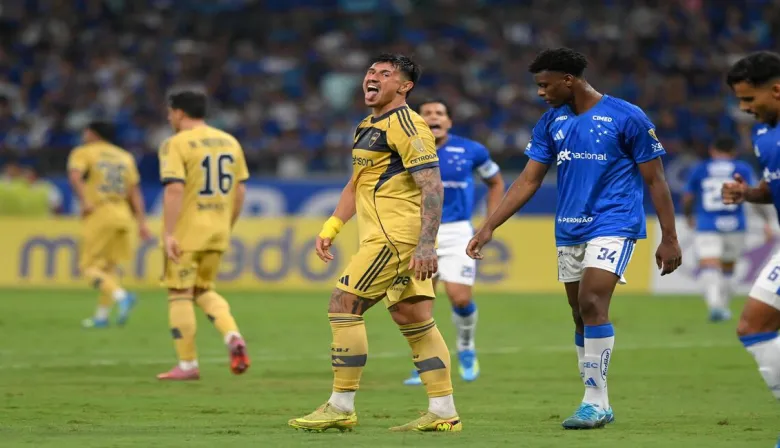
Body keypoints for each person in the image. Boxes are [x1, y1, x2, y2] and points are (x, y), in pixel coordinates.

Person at [466, 48, 682, 429]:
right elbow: (529, 179)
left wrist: (670, 237)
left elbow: (655, 179)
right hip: (569, 227)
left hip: (614, 223)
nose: (540, 92)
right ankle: (598, 399)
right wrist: (488, 226)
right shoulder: (552, 122)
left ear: (569, 80)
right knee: (579, 314)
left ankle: (594, 402)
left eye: (544, 85)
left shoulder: (627, 116)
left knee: (592, 300)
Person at [288, 53, 461, 433]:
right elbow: (357, 183)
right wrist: (331, 227)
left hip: (395, 236)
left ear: (404, 86)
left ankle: (341, 405)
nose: (373, 77)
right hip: (385, 235)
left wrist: (427, 246)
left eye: (385, 74)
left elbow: (432, 185)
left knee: (343, 303)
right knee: (412, 316)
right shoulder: (366, 125)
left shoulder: (409, 125)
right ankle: (443, 410)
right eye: (370, 71)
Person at [403, 99, 505, 386]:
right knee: (420, 304)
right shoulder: (406, 149)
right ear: (418, 121)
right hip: (420, 233)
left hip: (458, 231)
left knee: (460, 298)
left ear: (448, 121)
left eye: (440, 113)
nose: (434, 117)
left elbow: (496, 182)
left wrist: (489, 221)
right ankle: (424, 363)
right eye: (427, 113)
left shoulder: (472, 150)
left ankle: (466, 348)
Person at [156, 90, 250, 381]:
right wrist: (227, 225)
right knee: (203, 289)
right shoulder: (229, 141)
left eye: (170, 113)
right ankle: (232, 335)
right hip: (218, 229)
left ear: (180, 113)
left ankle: (187, 365)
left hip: (188, 230)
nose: (169, 118)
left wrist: (169, 233)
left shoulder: (175, 143)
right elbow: (240, 189)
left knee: (179, 293)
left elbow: (174, 188)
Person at [722, 51, 780, 448]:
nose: (744, 109)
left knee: (754, 325)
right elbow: (773, 189)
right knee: (753, 327)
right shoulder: (763, 135)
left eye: (749, 100)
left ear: (777, 90)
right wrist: (748, 193)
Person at [67, 121, 150, 328]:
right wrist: (141, 222)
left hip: (100, 212)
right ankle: (102, 317)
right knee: (109, 269)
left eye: (86, 132)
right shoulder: (125, 157)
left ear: (93, 134)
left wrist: (85, 201)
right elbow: (135, 192)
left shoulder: (84, 152)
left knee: (88, 268)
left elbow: (75, 176)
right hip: (122, 214)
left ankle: (122, 297)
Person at [683, 135, 771, 322]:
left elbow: (688, 197)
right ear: (734, 152)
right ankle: (721, 306)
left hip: (707, 224)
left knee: (709, 264)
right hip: (736, 224)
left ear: (712, 151)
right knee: (728, 268)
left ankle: (715, 306)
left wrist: (689, 215)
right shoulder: (742, 168)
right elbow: (754, 195)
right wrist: (766, 221)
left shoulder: (701, 168)